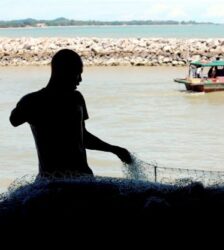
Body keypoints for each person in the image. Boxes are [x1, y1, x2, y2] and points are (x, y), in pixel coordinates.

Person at [9, 49, 132, 178]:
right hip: (53, 180)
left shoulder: (76, 98)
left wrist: (114, 149)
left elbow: (82, 137)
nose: (80, 79)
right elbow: (14, 120)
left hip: (80, 176)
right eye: (77, 73)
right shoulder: (34, 100)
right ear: (62, 72)